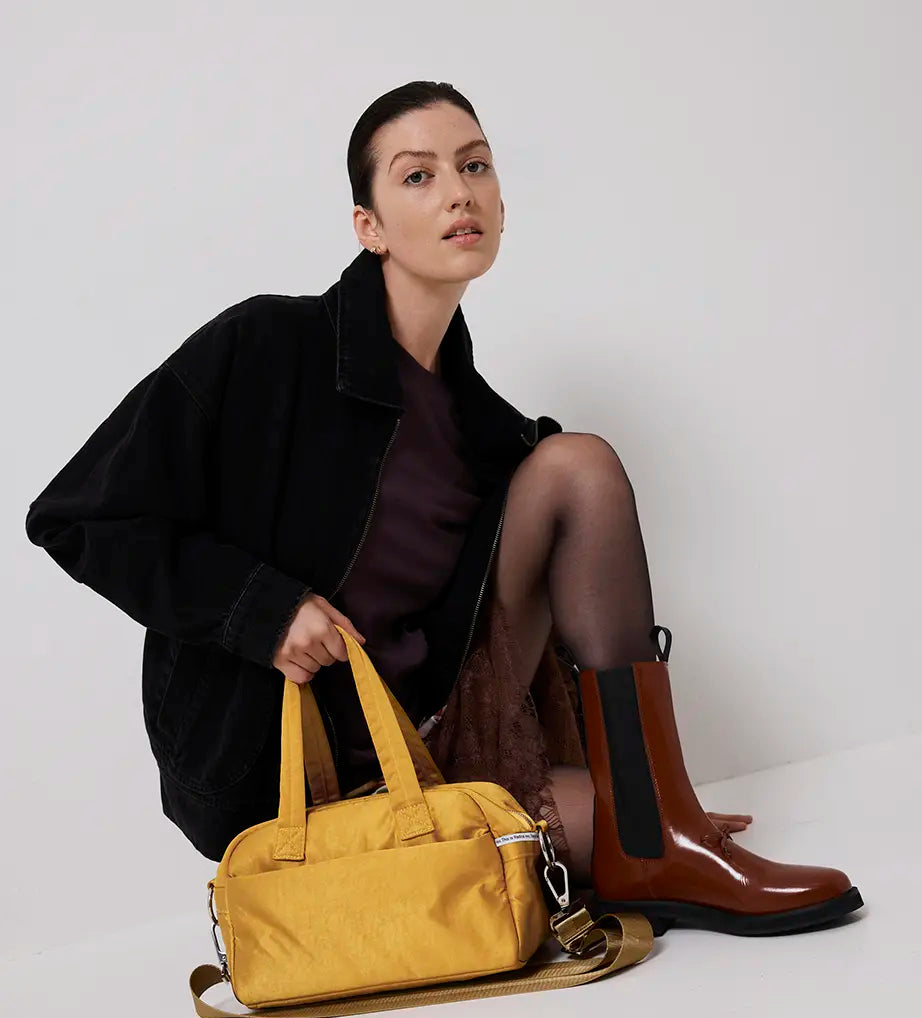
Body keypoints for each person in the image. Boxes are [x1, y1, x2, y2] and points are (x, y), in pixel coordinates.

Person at [25, 80, 862, 937]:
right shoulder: (265, 350)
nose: (459, 191)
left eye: (475, 165)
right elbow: (79, 517)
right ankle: (650, 835)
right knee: (619, 821)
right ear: (369, 227)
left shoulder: (481, 426)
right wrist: (260, 609)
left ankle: (658, 832)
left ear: (502, 203)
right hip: (297, 780)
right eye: (417, 176)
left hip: (443, 747)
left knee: (573, 471)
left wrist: (648, 797)